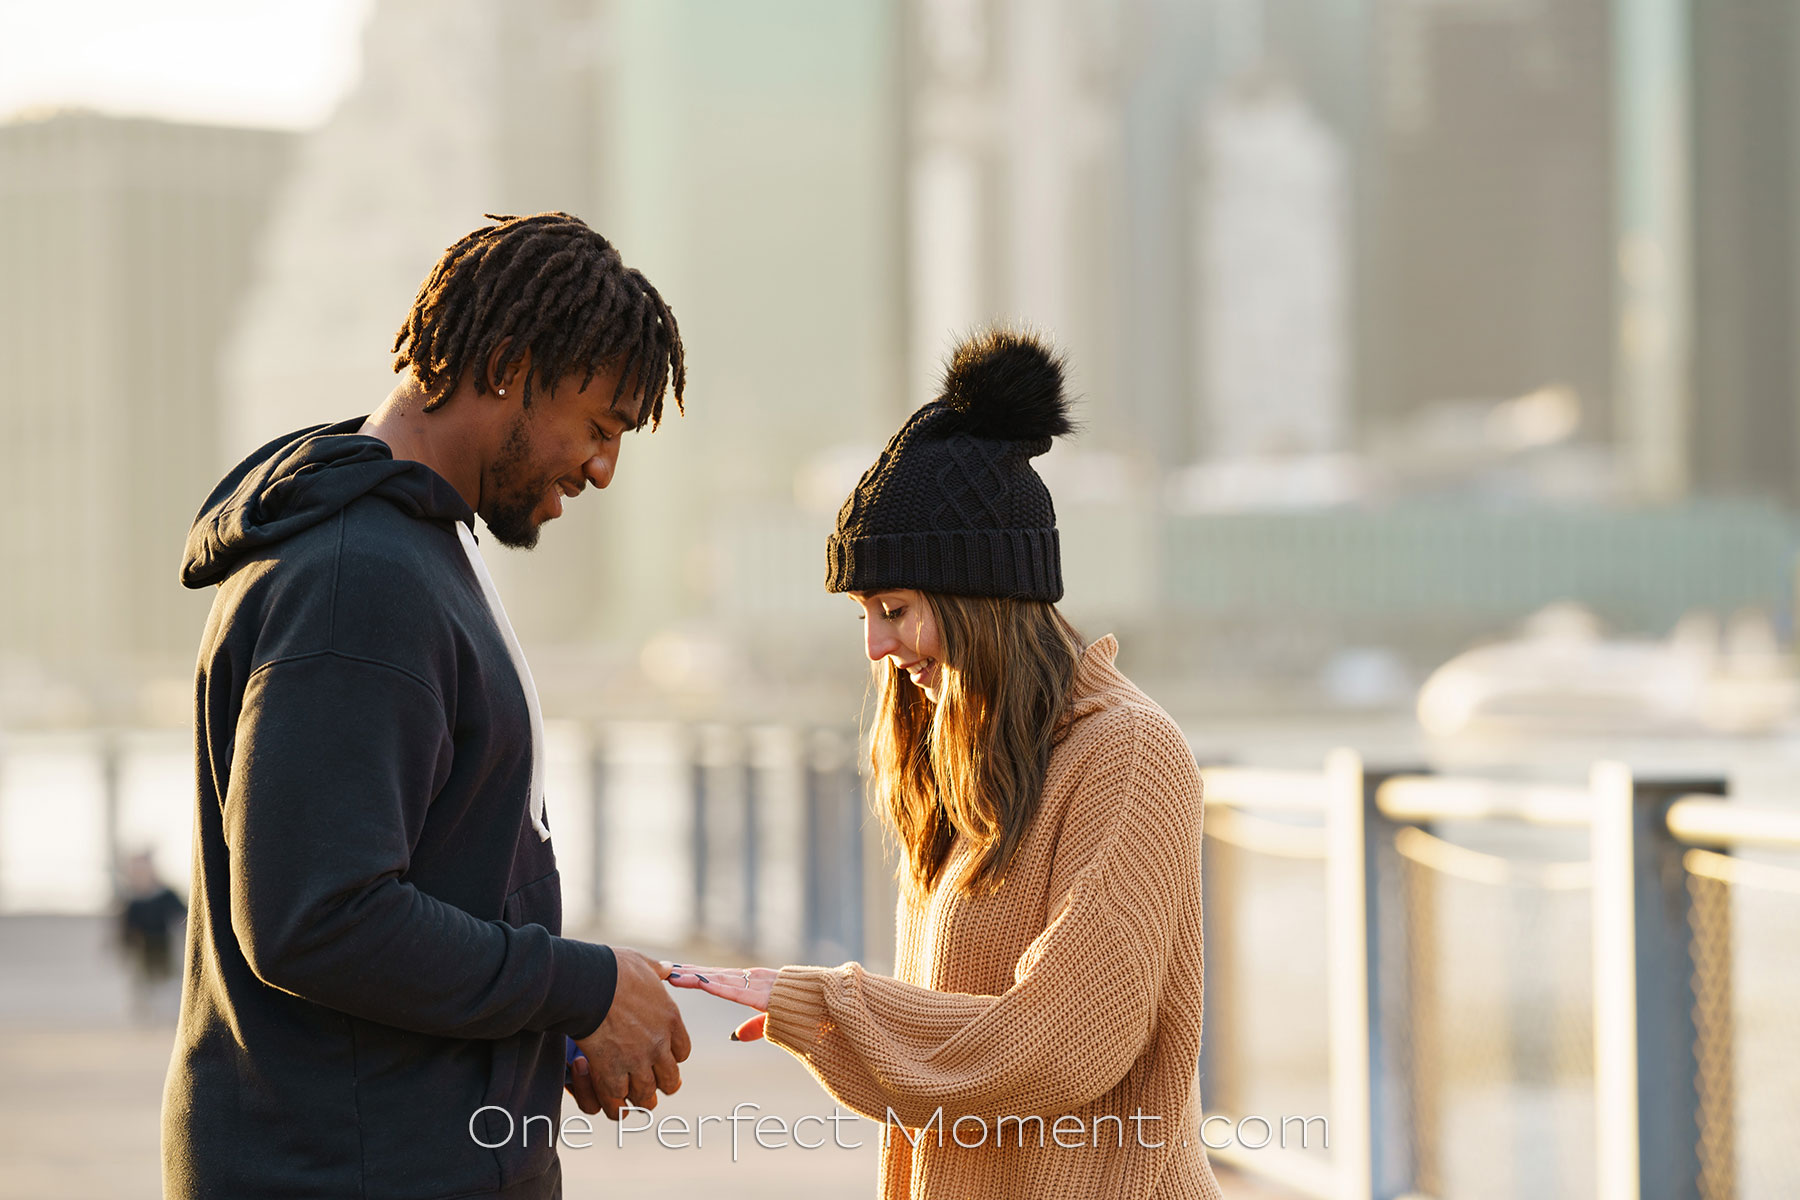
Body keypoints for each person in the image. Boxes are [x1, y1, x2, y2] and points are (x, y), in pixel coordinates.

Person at [167, 212, 690, 1200]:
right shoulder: (355, 581)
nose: (603, 465)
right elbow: (318, 918)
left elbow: (438, 883)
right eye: (599, 424)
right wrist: (577, 984)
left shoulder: (414, 553)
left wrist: (540, 1029)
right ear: (505, 363)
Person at [669, 329, 1223, 1199]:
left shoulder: (1129, 754)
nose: (874, 645)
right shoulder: (959, 761)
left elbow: (1064, 1038)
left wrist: (826, 1006)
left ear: (983, 597)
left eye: (893, 608)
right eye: (863, 614)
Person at [117, 850, 186, 1022]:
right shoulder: (132, 901)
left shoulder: (166, 895)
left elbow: (183, 915)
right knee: (143, 985)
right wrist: (124, 945)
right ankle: (145, 1018)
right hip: (141, 950)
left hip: (164, 947)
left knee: (169, 983)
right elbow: (126, 928)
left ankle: (172, 1017)